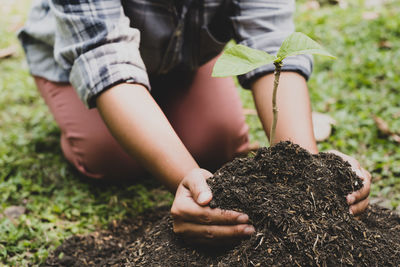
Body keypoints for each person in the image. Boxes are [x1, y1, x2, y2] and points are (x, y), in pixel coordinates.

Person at [18, 0, 371, 245]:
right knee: (110, 156)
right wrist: (188, 183)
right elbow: (103, 52)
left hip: (183, 58)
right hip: (86, 59)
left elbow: (271, 39)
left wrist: (309, 175)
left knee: (217, 142)